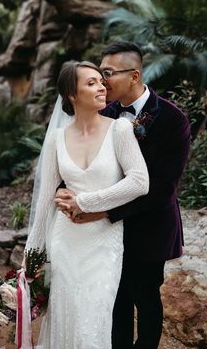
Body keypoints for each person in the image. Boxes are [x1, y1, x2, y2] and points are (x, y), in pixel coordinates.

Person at [55, 42, 191, 349]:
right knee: (113, 300)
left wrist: (103, 211)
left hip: (150, 227)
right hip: (105, 231)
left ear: (134, 75)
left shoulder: (173, 119)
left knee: (145, 297)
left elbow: (162, 187)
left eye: (108, 73)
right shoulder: (104, 112)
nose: (102, 81)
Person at [24, 60, 149, 349]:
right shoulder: (56, 138)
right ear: (72, 95)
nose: (101, 86)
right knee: (64, 316)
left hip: (103, 242)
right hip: (65, 242)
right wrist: (30, 255)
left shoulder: (120, 129)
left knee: (95, 317)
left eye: (100, 81)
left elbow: (140, 182)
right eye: (91, 83)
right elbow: (45, 200)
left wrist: (85, 201)